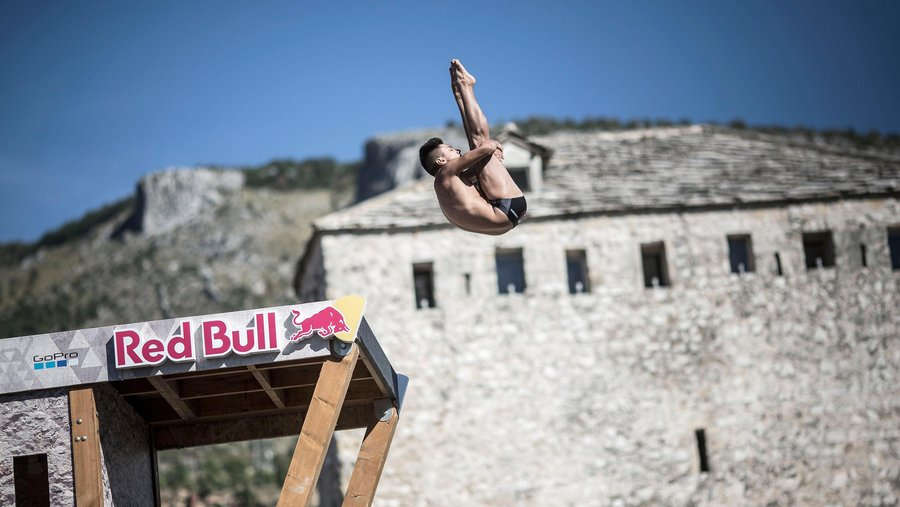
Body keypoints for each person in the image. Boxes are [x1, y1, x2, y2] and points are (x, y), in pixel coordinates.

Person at [418, 60, 526, 235]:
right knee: (479, 142)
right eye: (451, 149)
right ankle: (466, 86)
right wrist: (493, 146)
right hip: (505, 207)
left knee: (478, 149)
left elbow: (479, 162)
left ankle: (462, 91)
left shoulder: (449, 186)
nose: (458, 151)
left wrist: (459, 96)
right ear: (441, 160)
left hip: (506, 219)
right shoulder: (445, 173)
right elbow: (485, 147)